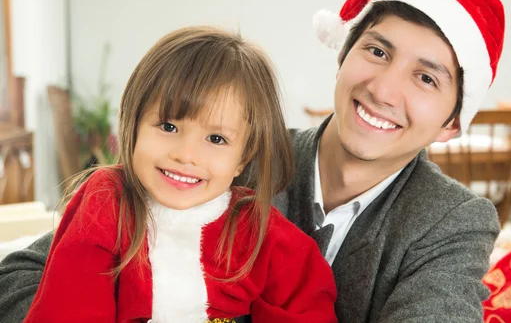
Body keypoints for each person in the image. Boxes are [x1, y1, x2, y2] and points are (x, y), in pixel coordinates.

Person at [0, 0, 505, 323]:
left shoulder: (451, 221)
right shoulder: (225, 156)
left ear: (451, 123)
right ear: (344, 54)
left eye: (425, 77)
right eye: (376, 51)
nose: (384, 89)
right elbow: (21, 274)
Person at [19, 26, 338, 323]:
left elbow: (309, 307)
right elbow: (69, 308)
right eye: (168, 126)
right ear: (132, 125)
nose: (186, 154)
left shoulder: (258, 228)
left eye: (216, 139)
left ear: (242, 159)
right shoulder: (108, 200)